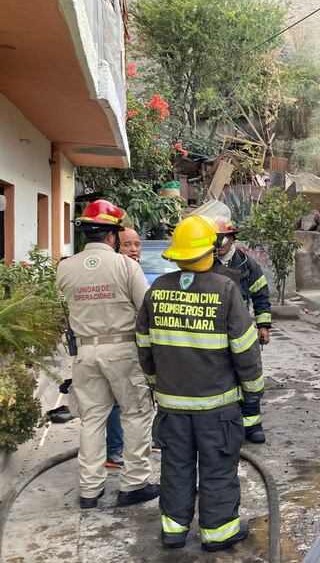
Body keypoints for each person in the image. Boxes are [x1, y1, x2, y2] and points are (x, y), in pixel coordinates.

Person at [136, 215, 263, 551]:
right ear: (210, 251)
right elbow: (245, 348)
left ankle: (174, 532)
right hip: (217, 408)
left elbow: (144, 345)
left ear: (176, 254)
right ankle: (218, 533)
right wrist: (253, 391)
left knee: (175, 467)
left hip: (171, 407)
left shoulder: (157, 290)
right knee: (218, 467)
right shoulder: (225, 290)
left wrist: (156, 383)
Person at [56, 199, 159, 509]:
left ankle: (89, 490)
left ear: (86, 233)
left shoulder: (65, 267)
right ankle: (133, 484)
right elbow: (146, 311)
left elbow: (63, 309)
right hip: (124, 351)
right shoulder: (127, 266)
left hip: (85, 353)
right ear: (113, 236)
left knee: (91, 420)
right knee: (136, 414)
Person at [213, 218, 271, 444]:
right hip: (214, 330)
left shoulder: (247, 264)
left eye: (222, 238)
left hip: (242, 328)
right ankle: (224, 424)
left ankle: (252, 425)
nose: (217, 244)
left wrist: (263, 325)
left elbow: (261, 295)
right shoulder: (205, 262)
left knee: (249, 375)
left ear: (232, 238)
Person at [105, 227, 144, 468]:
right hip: (118, 345)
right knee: (118, 402)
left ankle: (135, 444)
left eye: (137, 244)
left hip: (135, 344)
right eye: (127, 244)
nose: (134, 249)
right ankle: (115, 450)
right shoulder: (118, 270)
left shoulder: (135, 270)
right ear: (115, 246)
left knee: (138, 399)